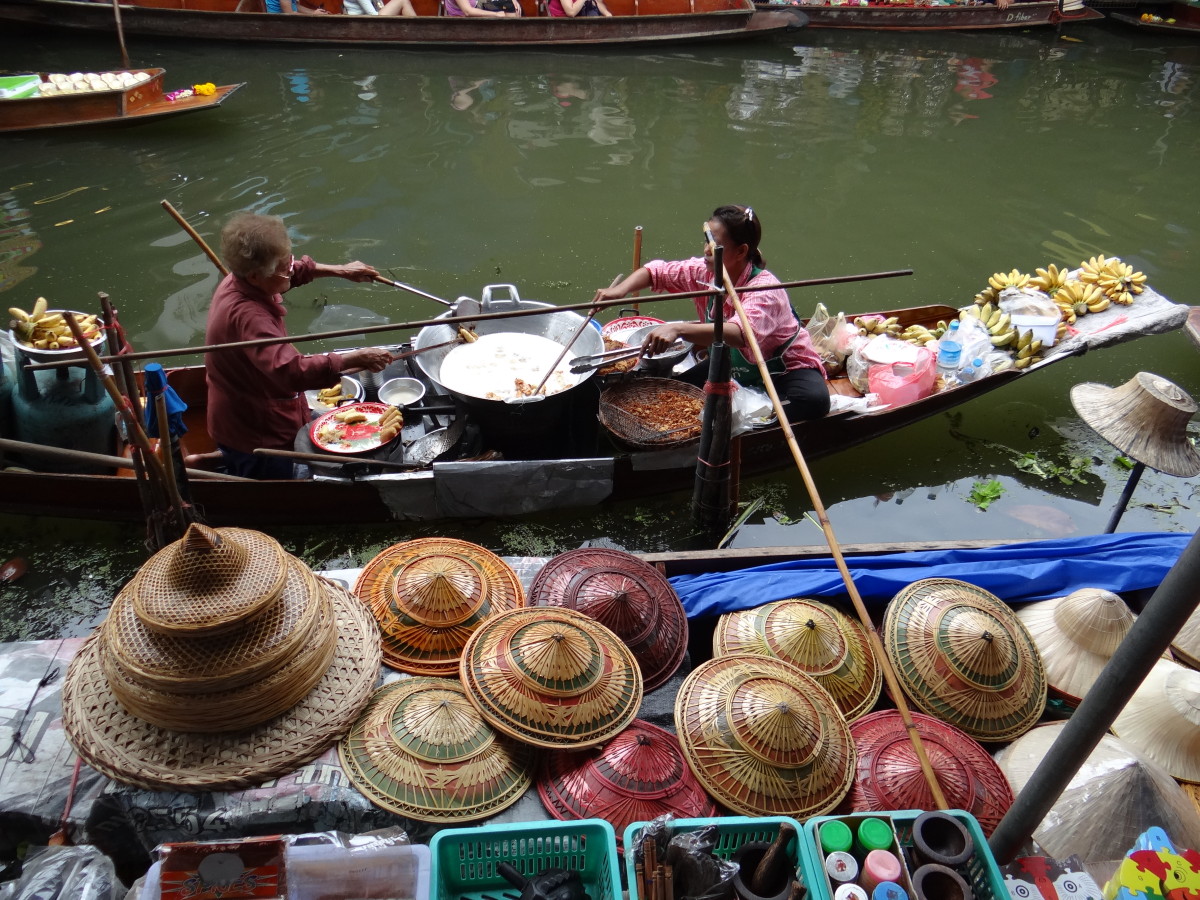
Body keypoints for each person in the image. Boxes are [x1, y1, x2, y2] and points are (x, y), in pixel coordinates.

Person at [592, 204, 830, 421]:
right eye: (706, 241)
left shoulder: (765, 289)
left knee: (813, 402)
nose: (706, 250)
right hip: (730, 362)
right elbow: (656, 272)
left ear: (740, 251)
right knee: (669, 396)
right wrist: (619, 292)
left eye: (715, 245)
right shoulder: (704, 271)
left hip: (782, 369)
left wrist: (679, 329)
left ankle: (755, 422)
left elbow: (739, 334)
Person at [204, 212, 393, 479]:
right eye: (283, 267)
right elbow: (290, 372)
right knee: (276, 479)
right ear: (256, 276)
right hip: (254, 425)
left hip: (242, 403)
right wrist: (352, 358)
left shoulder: (243, 279)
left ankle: (223, 460)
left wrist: (341, 270)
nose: (290, 269)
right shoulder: (250, 317)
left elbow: (291, 272)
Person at [443, 0, 522, 17]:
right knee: (507, 9)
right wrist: (496, 14)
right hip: (464, 17)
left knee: (508, 5)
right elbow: (468, 11)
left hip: (479, 5)